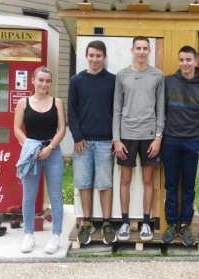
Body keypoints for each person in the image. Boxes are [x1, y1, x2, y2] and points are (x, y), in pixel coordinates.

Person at [113, 36, 165, 242]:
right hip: (126, 136)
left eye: (145, 48)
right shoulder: (121, 76)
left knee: (147, 180)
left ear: (149, 51)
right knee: (125, 179)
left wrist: (158, 137)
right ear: (132, 50)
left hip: (150, 136)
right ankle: (125, 223)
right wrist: (116, 139)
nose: (142, 51)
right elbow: (116, 109)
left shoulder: (158, 76)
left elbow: (161, 109)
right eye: (138, 48)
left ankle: (145, 223)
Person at [161, 45, 199, 246]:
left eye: (188, 60)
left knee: (189, 186)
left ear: (195, 61)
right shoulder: (168, 82)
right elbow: (161, 111)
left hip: (191, 142)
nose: (185, 63)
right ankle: (171, 225)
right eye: (181, 60)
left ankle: (185, 225)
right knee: (172, 185)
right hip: (170, 141)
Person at [67, 40, 116, 245]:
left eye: (98, 55)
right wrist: (77, 136)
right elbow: (71, 110)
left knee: (105, 184)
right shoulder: (77, 80)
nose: (94, 59)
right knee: (84, 183)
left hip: (105, 141)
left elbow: (117, 111)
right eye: (91, 55)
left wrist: (116, 137)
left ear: (104, 57)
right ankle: (87, 221)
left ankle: (106, 222)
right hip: (83, 143)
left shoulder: (113, 80)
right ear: (86, 56)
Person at [14, 66, 66, 254]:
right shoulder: (23, 102)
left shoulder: (57, 102)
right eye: (41, 80)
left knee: (56, 196)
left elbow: (62, 129)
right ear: (33, 81)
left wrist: (50, 148)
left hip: (52, 152)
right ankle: (28, 234)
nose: (44, 84)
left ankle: (56, 235)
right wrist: (30, 146)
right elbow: (17, 129)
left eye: (48, 81)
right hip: (31, 154)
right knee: (29, 196)